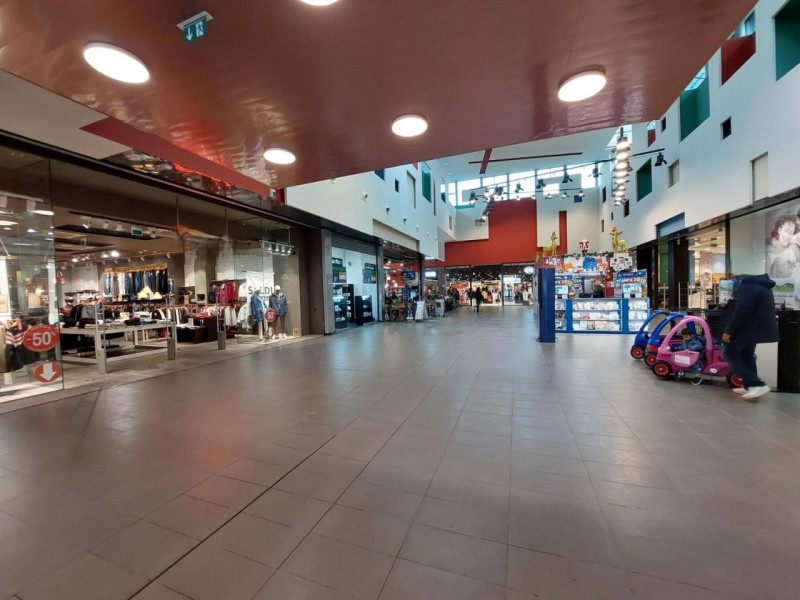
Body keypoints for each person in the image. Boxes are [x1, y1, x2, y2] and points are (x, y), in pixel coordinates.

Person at [722, 274, 779, 401]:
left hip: (746, 329)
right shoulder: (762, 286)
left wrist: (729, 330)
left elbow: (742, 310)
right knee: (746, 354)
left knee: (729, 353)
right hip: (755, 329)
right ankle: (750, 386)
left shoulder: (749, 286)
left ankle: (756, 384)